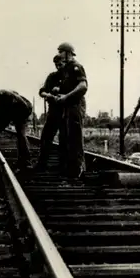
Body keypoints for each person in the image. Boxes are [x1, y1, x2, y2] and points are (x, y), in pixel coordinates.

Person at [55, 42, 88, 180]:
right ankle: (70, 168)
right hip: (67, 106)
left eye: (61, 51)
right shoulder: (66, 69)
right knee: (66, 136)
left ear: (68, 53)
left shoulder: (76, 67)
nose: (59, 54)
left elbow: (83, 86)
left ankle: (78, 169)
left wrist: (66, 96)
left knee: (75, 137)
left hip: (75, 105)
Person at [34, 55, 65, 172]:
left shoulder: (71, 76)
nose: (58, 67)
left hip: (67, 111)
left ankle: (63, 165)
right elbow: (42, 91)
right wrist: (47, 95)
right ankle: (42, 163)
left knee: (64, 138)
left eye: (60, 64)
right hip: (54, 110)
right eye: (56, 64)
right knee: (46, 136)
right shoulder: (52, 77)